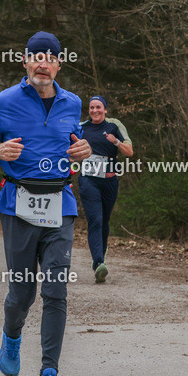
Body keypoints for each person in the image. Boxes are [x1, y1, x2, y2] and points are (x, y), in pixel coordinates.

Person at [0, 31, 92, 376]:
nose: (43, 62)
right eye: (36, 56)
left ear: (59, 64)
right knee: (22, 292)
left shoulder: (72, 102)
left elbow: (75, 143)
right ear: (25, 62)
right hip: (18, 203)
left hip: (61, 202)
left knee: (56, 288)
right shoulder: (3, 101)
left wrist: (83, 150)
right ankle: (12, 336)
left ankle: (48, 374)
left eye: (50, 56)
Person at [78, 96, 133, 283]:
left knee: (105, 222)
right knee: (96, 219)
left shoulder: (114, 125)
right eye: (92, 107)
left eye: (98, 107)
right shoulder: (81, 127)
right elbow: (67, 148)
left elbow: (129, 152)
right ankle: (98, 262)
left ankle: (100, 261)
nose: (95, 110)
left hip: (109, 181)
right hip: (88, 180)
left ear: (105, 109)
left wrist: (116, 142)